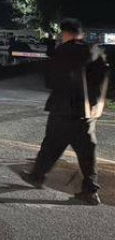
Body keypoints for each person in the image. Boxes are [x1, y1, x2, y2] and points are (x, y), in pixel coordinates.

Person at [21, 19, 109, 205]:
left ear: (65, 33)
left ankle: (37, 176)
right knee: (87, 153)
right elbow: (104, 77)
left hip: (61, 108)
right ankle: (90, 191)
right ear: (81, 34)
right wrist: (95, 101)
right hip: (85, 111)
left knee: (51, 145)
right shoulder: (94, 51)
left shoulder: (60, 52)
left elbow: (49, 82)